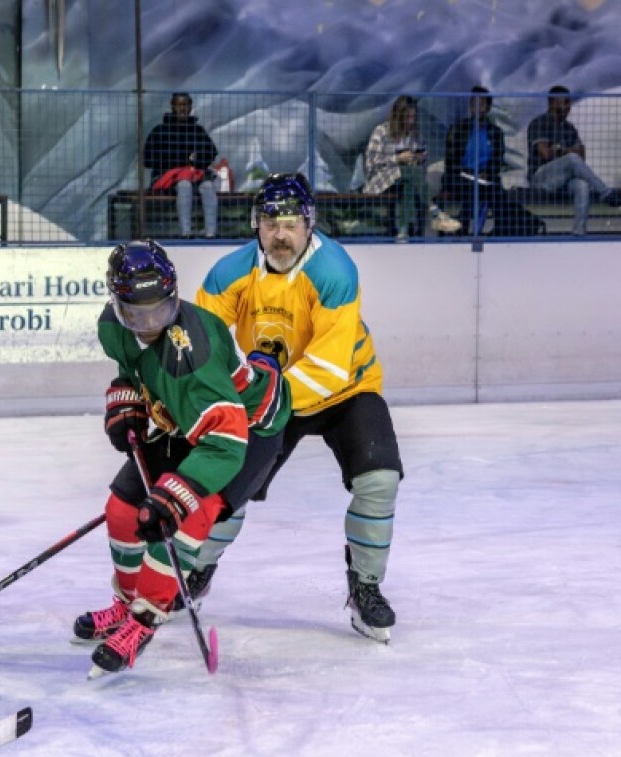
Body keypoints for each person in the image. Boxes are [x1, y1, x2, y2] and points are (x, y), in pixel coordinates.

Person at [195, 173, 402, 644]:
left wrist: (260, 397)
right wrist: (207, 403)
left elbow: (329, 367)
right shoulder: (230, 274)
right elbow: (199, 348)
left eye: (291, 223)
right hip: (276, 396)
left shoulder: (334, 271)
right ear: (256, 225)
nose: (281, 234)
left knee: (379, 478)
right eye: (270, 223)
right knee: (225, 480)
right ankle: (197, 568)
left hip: (347, 390)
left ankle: (365, 587)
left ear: (310, 225)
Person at [74, 240, 292, 675]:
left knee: (189, 512)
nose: (151, 322)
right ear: (117, 304)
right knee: (123, 509)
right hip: (190, 421)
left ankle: (146, 616)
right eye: (138, 313)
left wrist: (174, 497)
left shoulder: (191, 359)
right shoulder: (112, 327)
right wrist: (128, 400)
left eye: (161, 308)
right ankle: (125, 604)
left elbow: (225, 446)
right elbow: (135, 370)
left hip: (248, 430)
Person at [362, 95, 461, 241]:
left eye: (413, 117)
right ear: (399, 116)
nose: (411, 121)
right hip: (383, 181)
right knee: (409, 173)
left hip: (407, 179)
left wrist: (418, 158)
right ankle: (435, 213)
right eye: (407, 117)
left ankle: (403, 232)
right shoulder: (382, 132)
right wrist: (397, 158)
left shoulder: (415, 135)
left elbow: (423, 157)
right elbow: (370, 163)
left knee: (409, 184)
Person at [526, 85, 621, 236]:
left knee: (582, 185)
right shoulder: (539, 123)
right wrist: (566, 151)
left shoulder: (569, 128)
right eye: (565, 102)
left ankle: (579, 233)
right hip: (541, 178)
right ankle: (605, 193)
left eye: (569, 102)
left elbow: (581, 155)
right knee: (571, 158)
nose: (569, 106)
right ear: (552, 103)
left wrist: (557, 149)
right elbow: (545, 154)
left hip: (563, 180)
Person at [142, 93, 219, 239]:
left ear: (190, 108)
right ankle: (186, 232)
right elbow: (147, 159)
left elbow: (211, 152)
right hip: (168, 178)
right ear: (173, 106)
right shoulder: (160, 131)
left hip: (195, 176)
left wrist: (196, 161)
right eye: (179, 105)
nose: (182, 108)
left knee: (208, 186)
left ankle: (211, 232)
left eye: (185, 105)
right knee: (184, 185)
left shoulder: (197, 130)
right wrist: (177, 164)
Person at [441, 86, 511, 235]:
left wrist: (487, 173)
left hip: (486, 177)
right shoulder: (458, 129)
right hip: (462, 176)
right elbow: (451, 159)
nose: (477, 107)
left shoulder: (495, 132)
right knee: (472, 188)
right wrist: (468, 173)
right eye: (474, 103)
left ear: (488, 108)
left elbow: (498, 159)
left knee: (496, 192)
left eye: (481, 104)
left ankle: (499, 231)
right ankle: (464, 229)